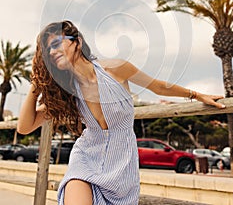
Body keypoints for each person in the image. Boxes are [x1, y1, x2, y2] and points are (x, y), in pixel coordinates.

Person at [17, 20, 225, 205]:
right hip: (85, 159)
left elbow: (159, 87)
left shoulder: (115, 68)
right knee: (75, 188)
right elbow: (24, 127)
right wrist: (35, 89)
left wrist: (197, 95)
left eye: (56, 44)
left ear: (77, 41)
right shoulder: (66, 92)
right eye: (47, 50)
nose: (52, 52)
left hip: (122, 166)